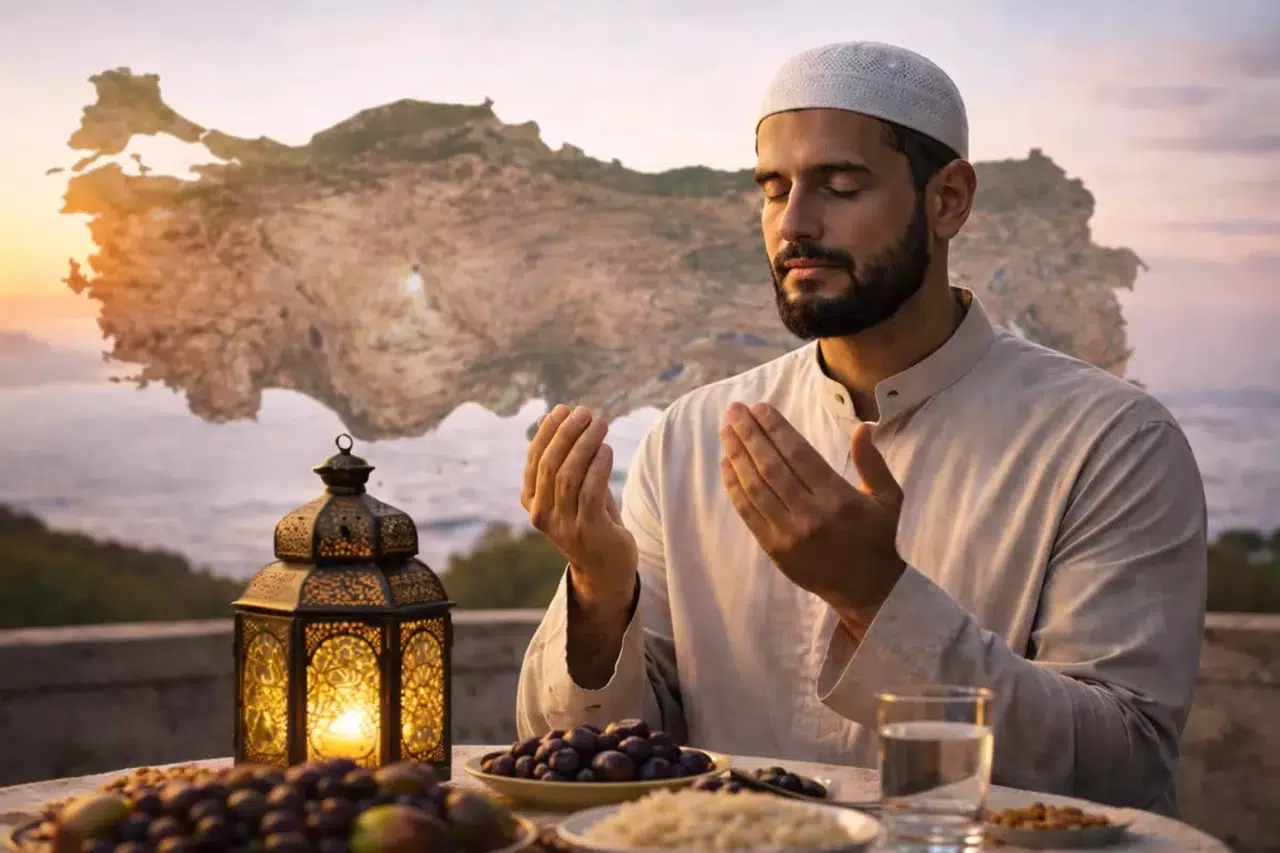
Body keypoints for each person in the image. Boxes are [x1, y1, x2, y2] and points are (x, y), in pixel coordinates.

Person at [514, 41, 1207, 816]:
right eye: (773, 191)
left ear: (948, 200)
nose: (795, 225)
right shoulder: (693, 436)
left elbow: (1124, 770)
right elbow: (593, 759)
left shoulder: (1109, 440)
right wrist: (602, 594)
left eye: (840, 186)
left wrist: (874, 597)